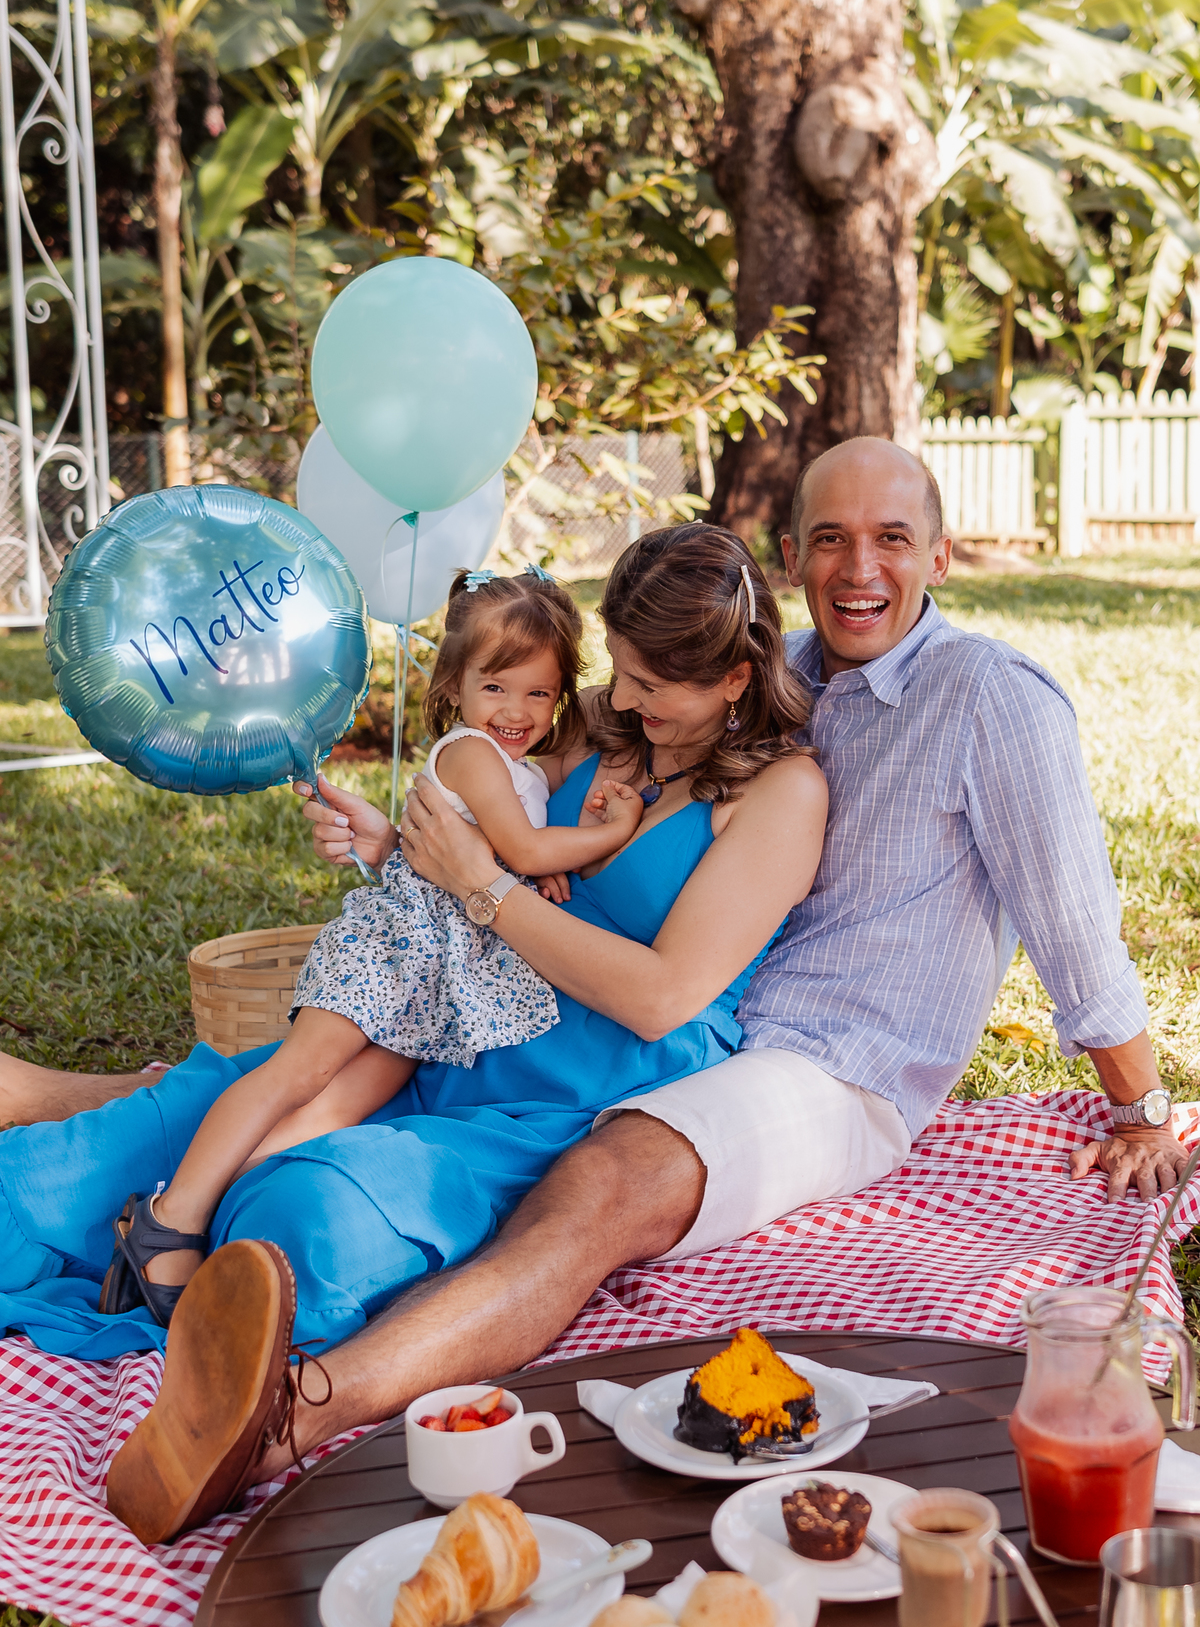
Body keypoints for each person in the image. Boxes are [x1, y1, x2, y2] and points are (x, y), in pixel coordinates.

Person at [85, 438, 1187, 1537]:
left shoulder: (993, 699)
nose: (863, 568)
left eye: (893, 539)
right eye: (834, 540)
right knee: (278, 1088)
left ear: (940, 551)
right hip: (702, 1028)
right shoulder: (778, 668)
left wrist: (1139, 1107)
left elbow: (1074, 924)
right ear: (793, 555)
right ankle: (167, 1200)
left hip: (832, 1067)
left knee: (599, 1186)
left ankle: (285, 1418)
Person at [0, 523, 828, 1545]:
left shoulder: (781, 795)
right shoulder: (608, 728)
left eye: (660, 683)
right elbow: (487, 817)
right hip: (449, 1018)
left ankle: (223, 1326)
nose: (628, 698)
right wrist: (395, 842)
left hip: (564, 1095)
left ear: (741, 676)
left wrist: (477, 889)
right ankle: (138, 1223)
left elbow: (660, 997)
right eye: (620, 669)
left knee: (304, 1213)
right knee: (142, 1136)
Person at [96, 566, 644, 1327]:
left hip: (438, 970)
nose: (517, 710)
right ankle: (167, 1217)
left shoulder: (519, 765)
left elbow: (503, 850)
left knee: (352, 1098)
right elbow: (518, 843)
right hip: (395, 947)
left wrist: (538, 861)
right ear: (453, 684)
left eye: (539, 692)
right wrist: (602, 837)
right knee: (299, 1072)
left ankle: (233, 1229)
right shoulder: (471, 755)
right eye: (496, 687)